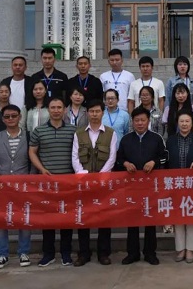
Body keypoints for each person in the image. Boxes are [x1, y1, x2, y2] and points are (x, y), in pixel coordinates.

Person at [28, 97, 77, 267]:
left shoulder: (73, 130)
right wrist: (41, 169)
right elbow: (32, 151)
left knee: (66, 219)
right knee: (47, 220)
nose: (56, 110)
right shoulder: (39, 131)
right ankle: (48, 254)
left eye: (59, 107)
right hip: (47, 182)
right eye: (53, 107)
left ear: (65, 110)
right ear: (48, 110)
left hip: (68, 182)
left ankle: (66, 253)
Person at [116, 107, 166, 266]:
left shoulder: (156, 138)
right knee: (132, 220)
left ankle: (150, 253)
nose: (140, 123)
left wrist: (154, 162)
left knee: (150, 220)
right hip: (131, 186)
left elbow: (165, 157)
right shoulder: (126, 140)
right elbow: (118, 159)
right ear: (132, 122)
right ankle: (133, 253)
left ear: (148, 121)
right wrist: (125, 163)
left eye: (143, 120)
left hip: (151, 186)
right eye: (136, 120)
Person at [71, 99, 118, 267]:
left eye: (97, 111)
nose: (94, 114)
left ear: (102, 113)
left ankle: (103, 253)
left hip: (103, 183)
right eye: (91, 111)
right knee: (83, 218)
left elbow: (112, 157)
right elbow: (75, 157)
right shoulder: (79, 133)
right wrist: (83, 176)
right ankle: (84, 253)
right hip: (83, 183)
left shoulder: (111, 133)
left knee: (104, 218)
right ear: (87, 113)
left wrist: (100, 177)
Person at [0, 104, 32, 269]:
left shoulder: (29, 136)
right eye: (7, 116)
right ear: (3, 119)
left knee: (23, 219)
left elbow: (33, 159)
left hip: (23, 185)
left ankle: (24, 252)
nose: (10, 119)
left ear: (20, 117)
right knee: (1, 220)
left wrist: (31, 178)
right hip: (2, 185)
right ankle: (1, 254)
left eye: (14, 116)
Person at [165, 109, 193, 264]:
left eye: (187, 121)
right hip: (175, 184)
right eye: (181, 121)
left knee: (192, 216)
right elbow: (166, 162)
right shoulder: (170, 141)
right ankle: (181, 248)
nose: (184, 124)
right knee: (178, 216)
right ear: (177, 123)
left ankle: (191, 249)